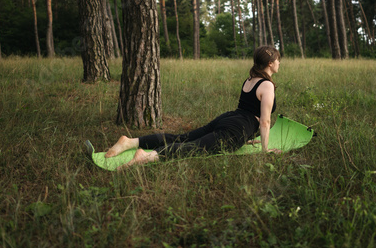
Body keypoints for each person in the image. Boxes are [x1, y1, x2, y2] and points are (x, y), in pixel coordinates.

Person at [105, 45, 282, 170]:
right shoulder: (267, 85)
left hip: (229, 118)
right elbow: (264, 121)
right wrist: (265, 151)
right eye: (277, 60)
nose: (279, 63)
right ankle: (147, 157)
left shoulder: (250, 80)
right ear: (270, 63)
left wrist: (246, 138)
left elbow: (248, 109)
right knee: (195, 147)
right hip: (237, 127)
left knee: (183, 138)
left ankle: (131, 142)